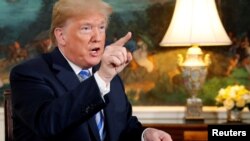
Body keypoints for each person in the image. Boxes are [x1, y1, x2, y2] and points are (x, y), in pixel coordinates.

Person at [9, 0, 172, 141]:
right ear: (61, 36)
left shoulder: (108, 76)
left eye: (101, 27)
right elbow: (48, 124)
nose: (98, 37)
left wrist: (145, 134)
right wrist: (102, 78)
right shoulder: (28, 74)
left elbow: (123, 126)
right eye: (86, 28)